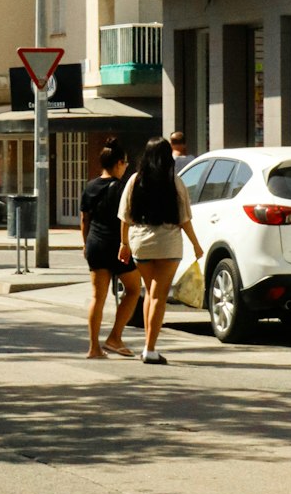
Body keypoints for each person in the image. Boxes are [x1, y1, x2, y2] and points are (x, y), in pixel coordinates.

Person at [118, 136, 203, 365]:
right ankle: (150, 349)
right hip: (168, 243)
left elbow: (124, 216)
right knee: (159, 296)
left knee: (149, 292)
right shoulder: (174, 182)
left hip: (141, 243)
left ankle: (148, 344)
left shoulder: (135, 180)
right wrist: (196, 244)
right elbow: (184, 218)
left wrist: (124, 243)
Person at [79, 137, 142, 360]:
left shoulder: (90, 186)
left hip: (95, 243)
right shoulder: (123, 189)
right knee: (134, 290)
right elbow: (127, 219)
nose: (126, 167)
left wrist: (85, 244)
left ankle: (93, 347)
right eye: (125, 163)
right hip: (116, 245)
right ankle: (115, 337)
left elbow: (84, 219)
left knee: (98, 296)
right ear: (117, 164)